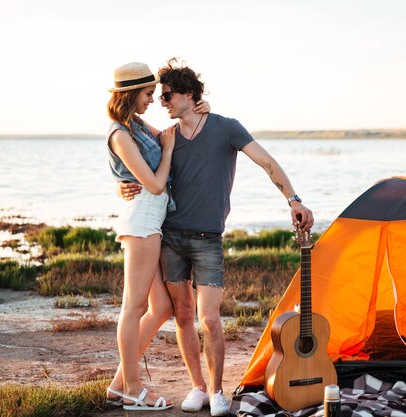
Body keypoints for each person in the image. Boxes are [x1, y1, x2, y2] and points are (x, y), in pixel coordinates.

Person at [118, 58, 314, 416]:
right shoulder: (167, 138)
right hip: (171, 237)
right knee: (181, 315)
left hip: (209, 239)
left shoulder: (227, 128)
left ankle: (217, 391)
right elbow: (140, 168)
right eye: (158, 96)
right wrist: (125, 186)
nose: (161, 102)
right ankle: (196, 387)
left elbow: (266, 162)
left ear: (189, 94)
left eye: (167, 96)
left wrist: (293, 198)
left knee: (208, 318)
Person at [104, 61, 210, 411]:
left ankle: (120, 383)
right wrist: (164, 154)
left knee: (161, 306)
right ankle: (132, 388)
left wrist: (200, 109)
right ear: (132, 94)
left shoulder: (134, 125)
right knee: (133, 306)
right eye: (149, 94)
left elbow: (171, 133)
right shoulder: (119, 134)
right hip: (142, 222)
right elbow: (153, 183)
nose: (153, 100)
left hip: (152, 221)